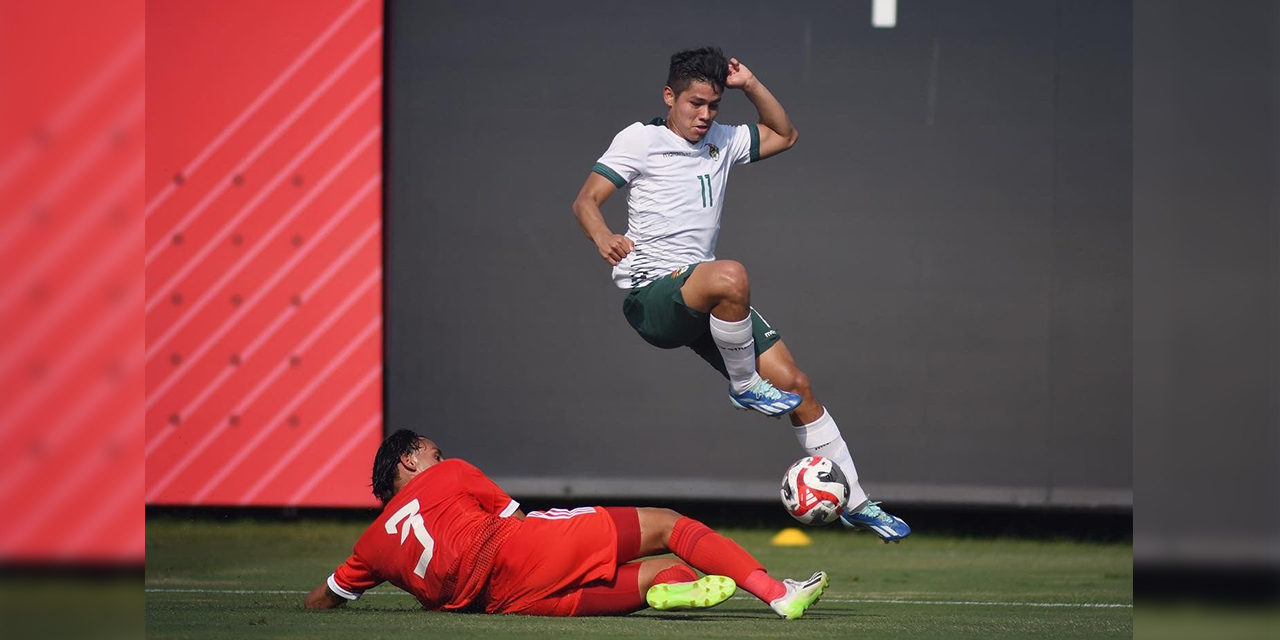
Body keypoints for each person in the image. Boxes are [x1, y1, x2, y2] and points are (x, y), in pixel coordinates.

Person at [570, 46, 910, 541]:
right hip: (652, 299)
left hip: (703, 298)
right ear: (670, 97)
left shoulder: (722, 141)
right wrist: (603, 236)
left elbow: (785, 134)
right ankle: (744, 384)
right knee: (731, 276)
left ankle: (856, 501)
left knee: (796, 384)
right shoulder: (640, 140)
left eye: (713, 106)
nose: (705, 115)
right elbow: (586, 200)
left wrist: (749, 84)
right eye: (694, 104)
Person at [305, 430, 829, 619]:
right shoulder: (450, 475)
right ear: (410, 462)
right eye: (433, 452)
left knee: (658, 572)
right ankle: (777, 593)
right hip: (522, 551)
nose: (443, 458)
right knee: (668, 525)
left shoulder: (369, 548)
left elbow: (324, 598)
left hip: (510, 603)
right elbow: (513, 518)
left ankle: (672, 589)